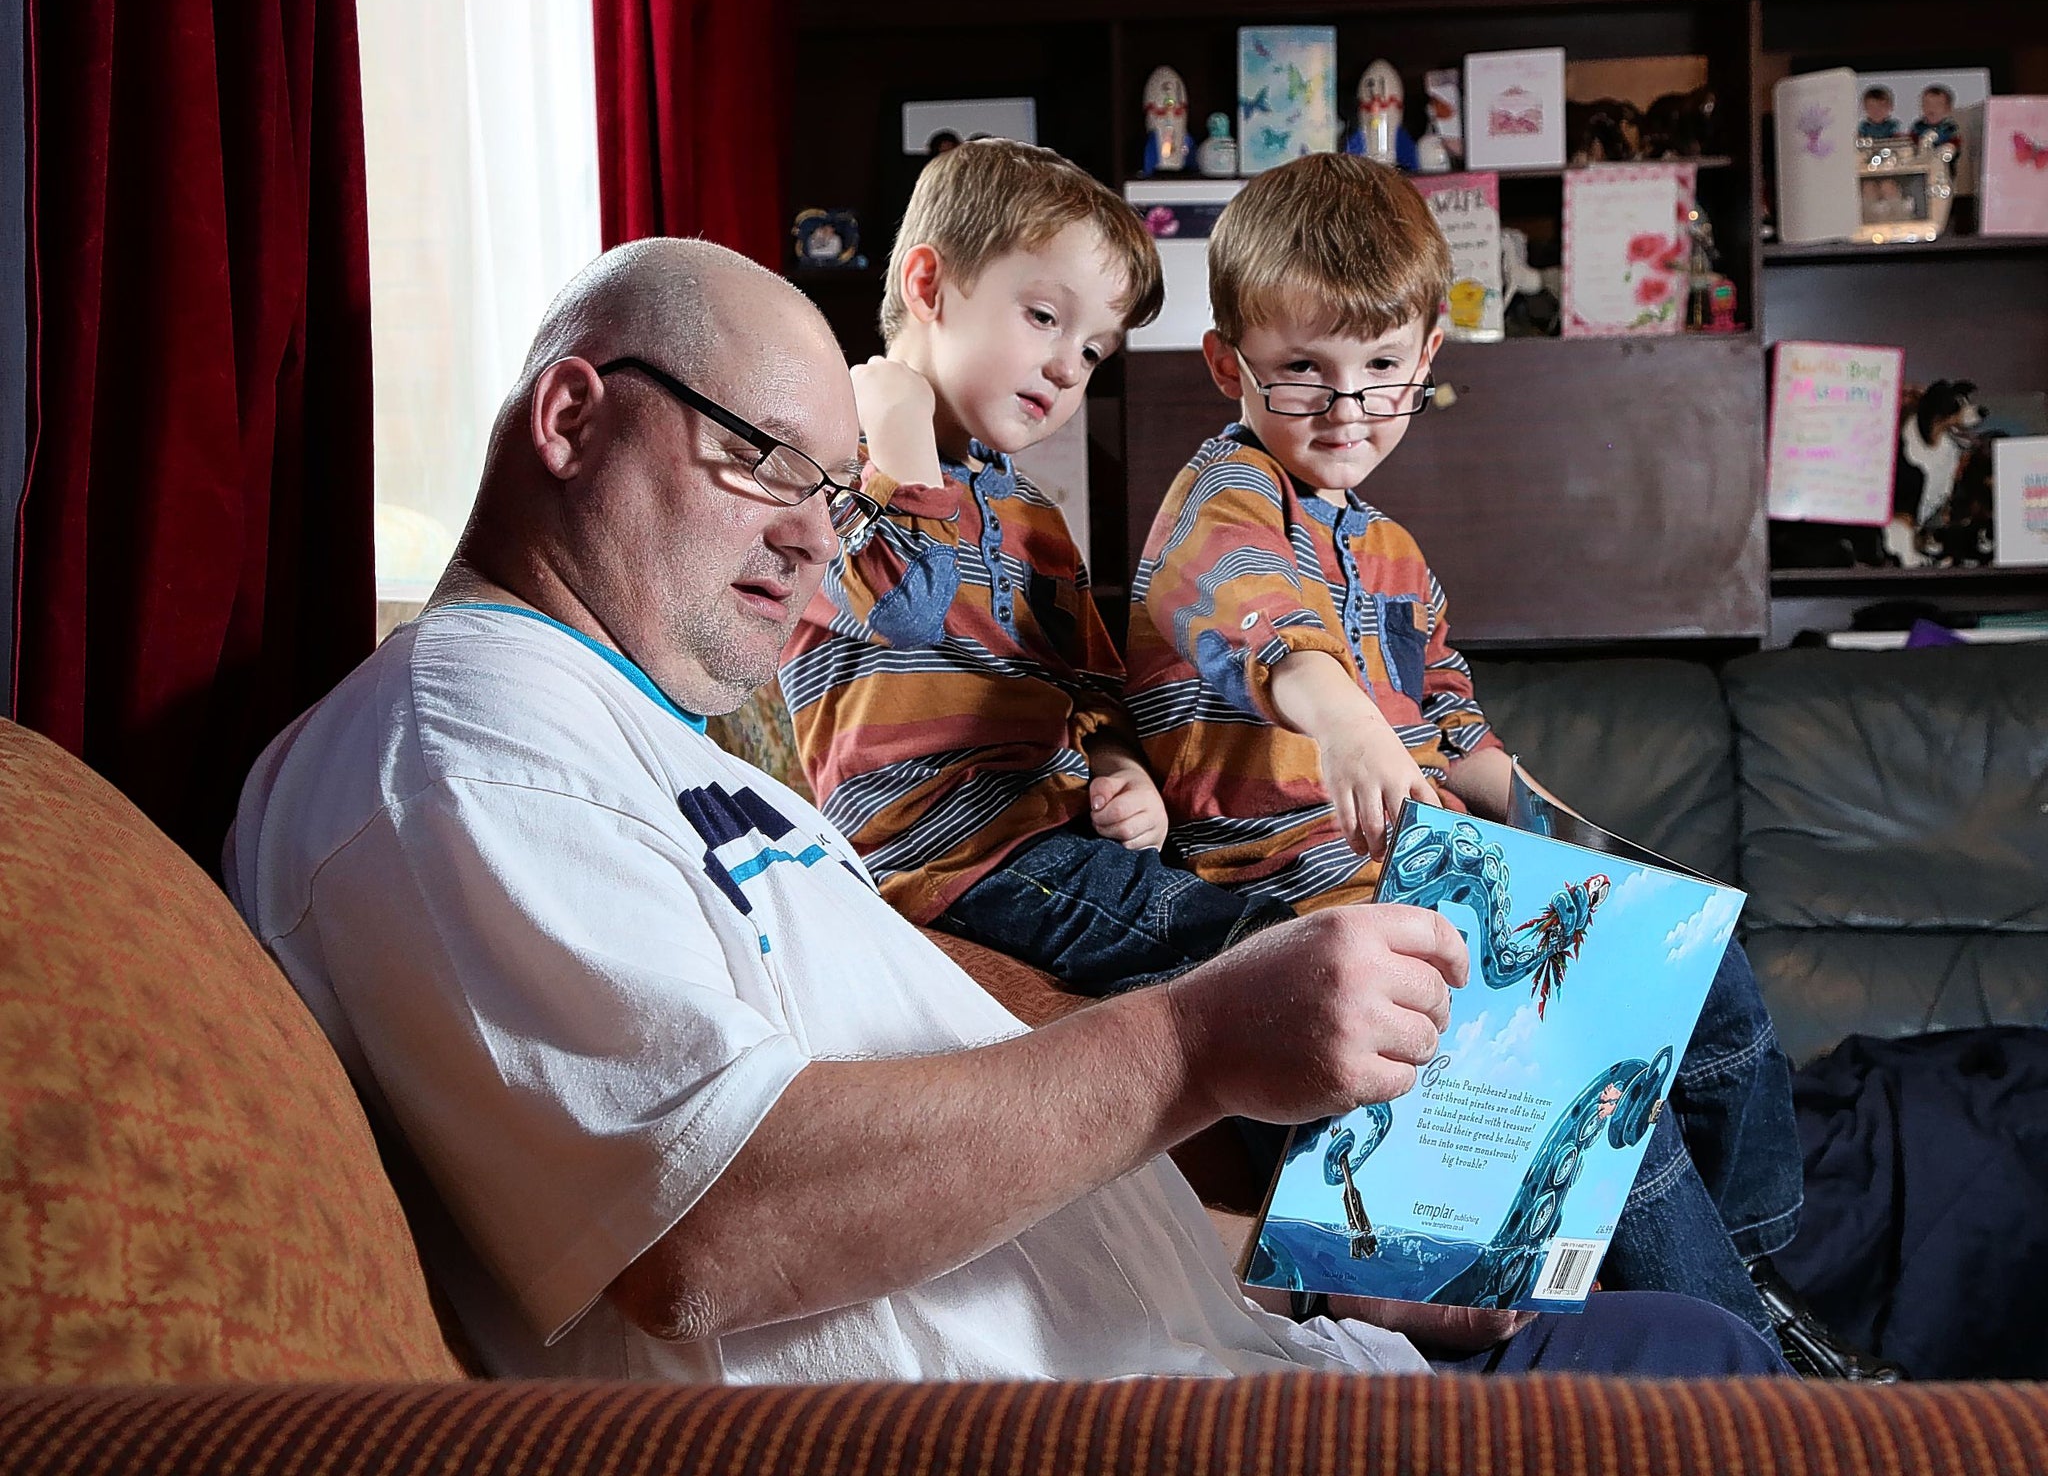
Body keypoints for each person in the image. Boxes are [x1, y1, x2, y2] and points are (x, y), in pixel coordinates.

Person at [224, 236, 1786, 1383]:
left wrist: (1316, 1266)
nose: (812, 553)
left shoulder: (652, 737)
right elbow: (710, 1233)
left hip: (1234, 1345)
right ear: (572, 420)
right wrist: (1198, 1043)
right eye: (764, 465)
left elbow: (922, 1086)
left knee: (1683, 1327)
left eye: (835, 501)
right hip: (1097, 1415)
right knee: (1720, 1392)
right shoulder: (467, 745)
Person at [1118, 153, 1872, 1368]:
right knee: (1594, 1069)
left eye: (1382, 375)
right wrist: (1348, 722)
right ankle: (1766, 1370)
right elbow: (1256, 621)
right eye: (1301, 371)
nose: (1347, 411)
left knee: (1696, 955)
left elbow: (1456, 724)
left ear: (1426, 361)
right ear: (1229, 366)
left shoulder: (1396, 552)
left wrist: (1556, 825)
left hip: (1437, 878)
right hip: (1292, 905)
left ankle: (1756, 1273)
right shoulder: (1221, 501)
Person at [780, 137, 1294, 995]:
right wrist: (902, 438)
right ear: (929, 286)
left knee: (1263, 923)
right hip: (942, 852)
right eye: (1046, 318)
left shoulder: (1031, 515)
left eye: (1095, 351)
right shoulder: (829, 470)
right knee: (1261, 954)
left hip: (1050, 837)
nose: (1066, 367)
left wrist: (1121, 768)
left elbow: (1090, 687)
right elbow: (907, 608)